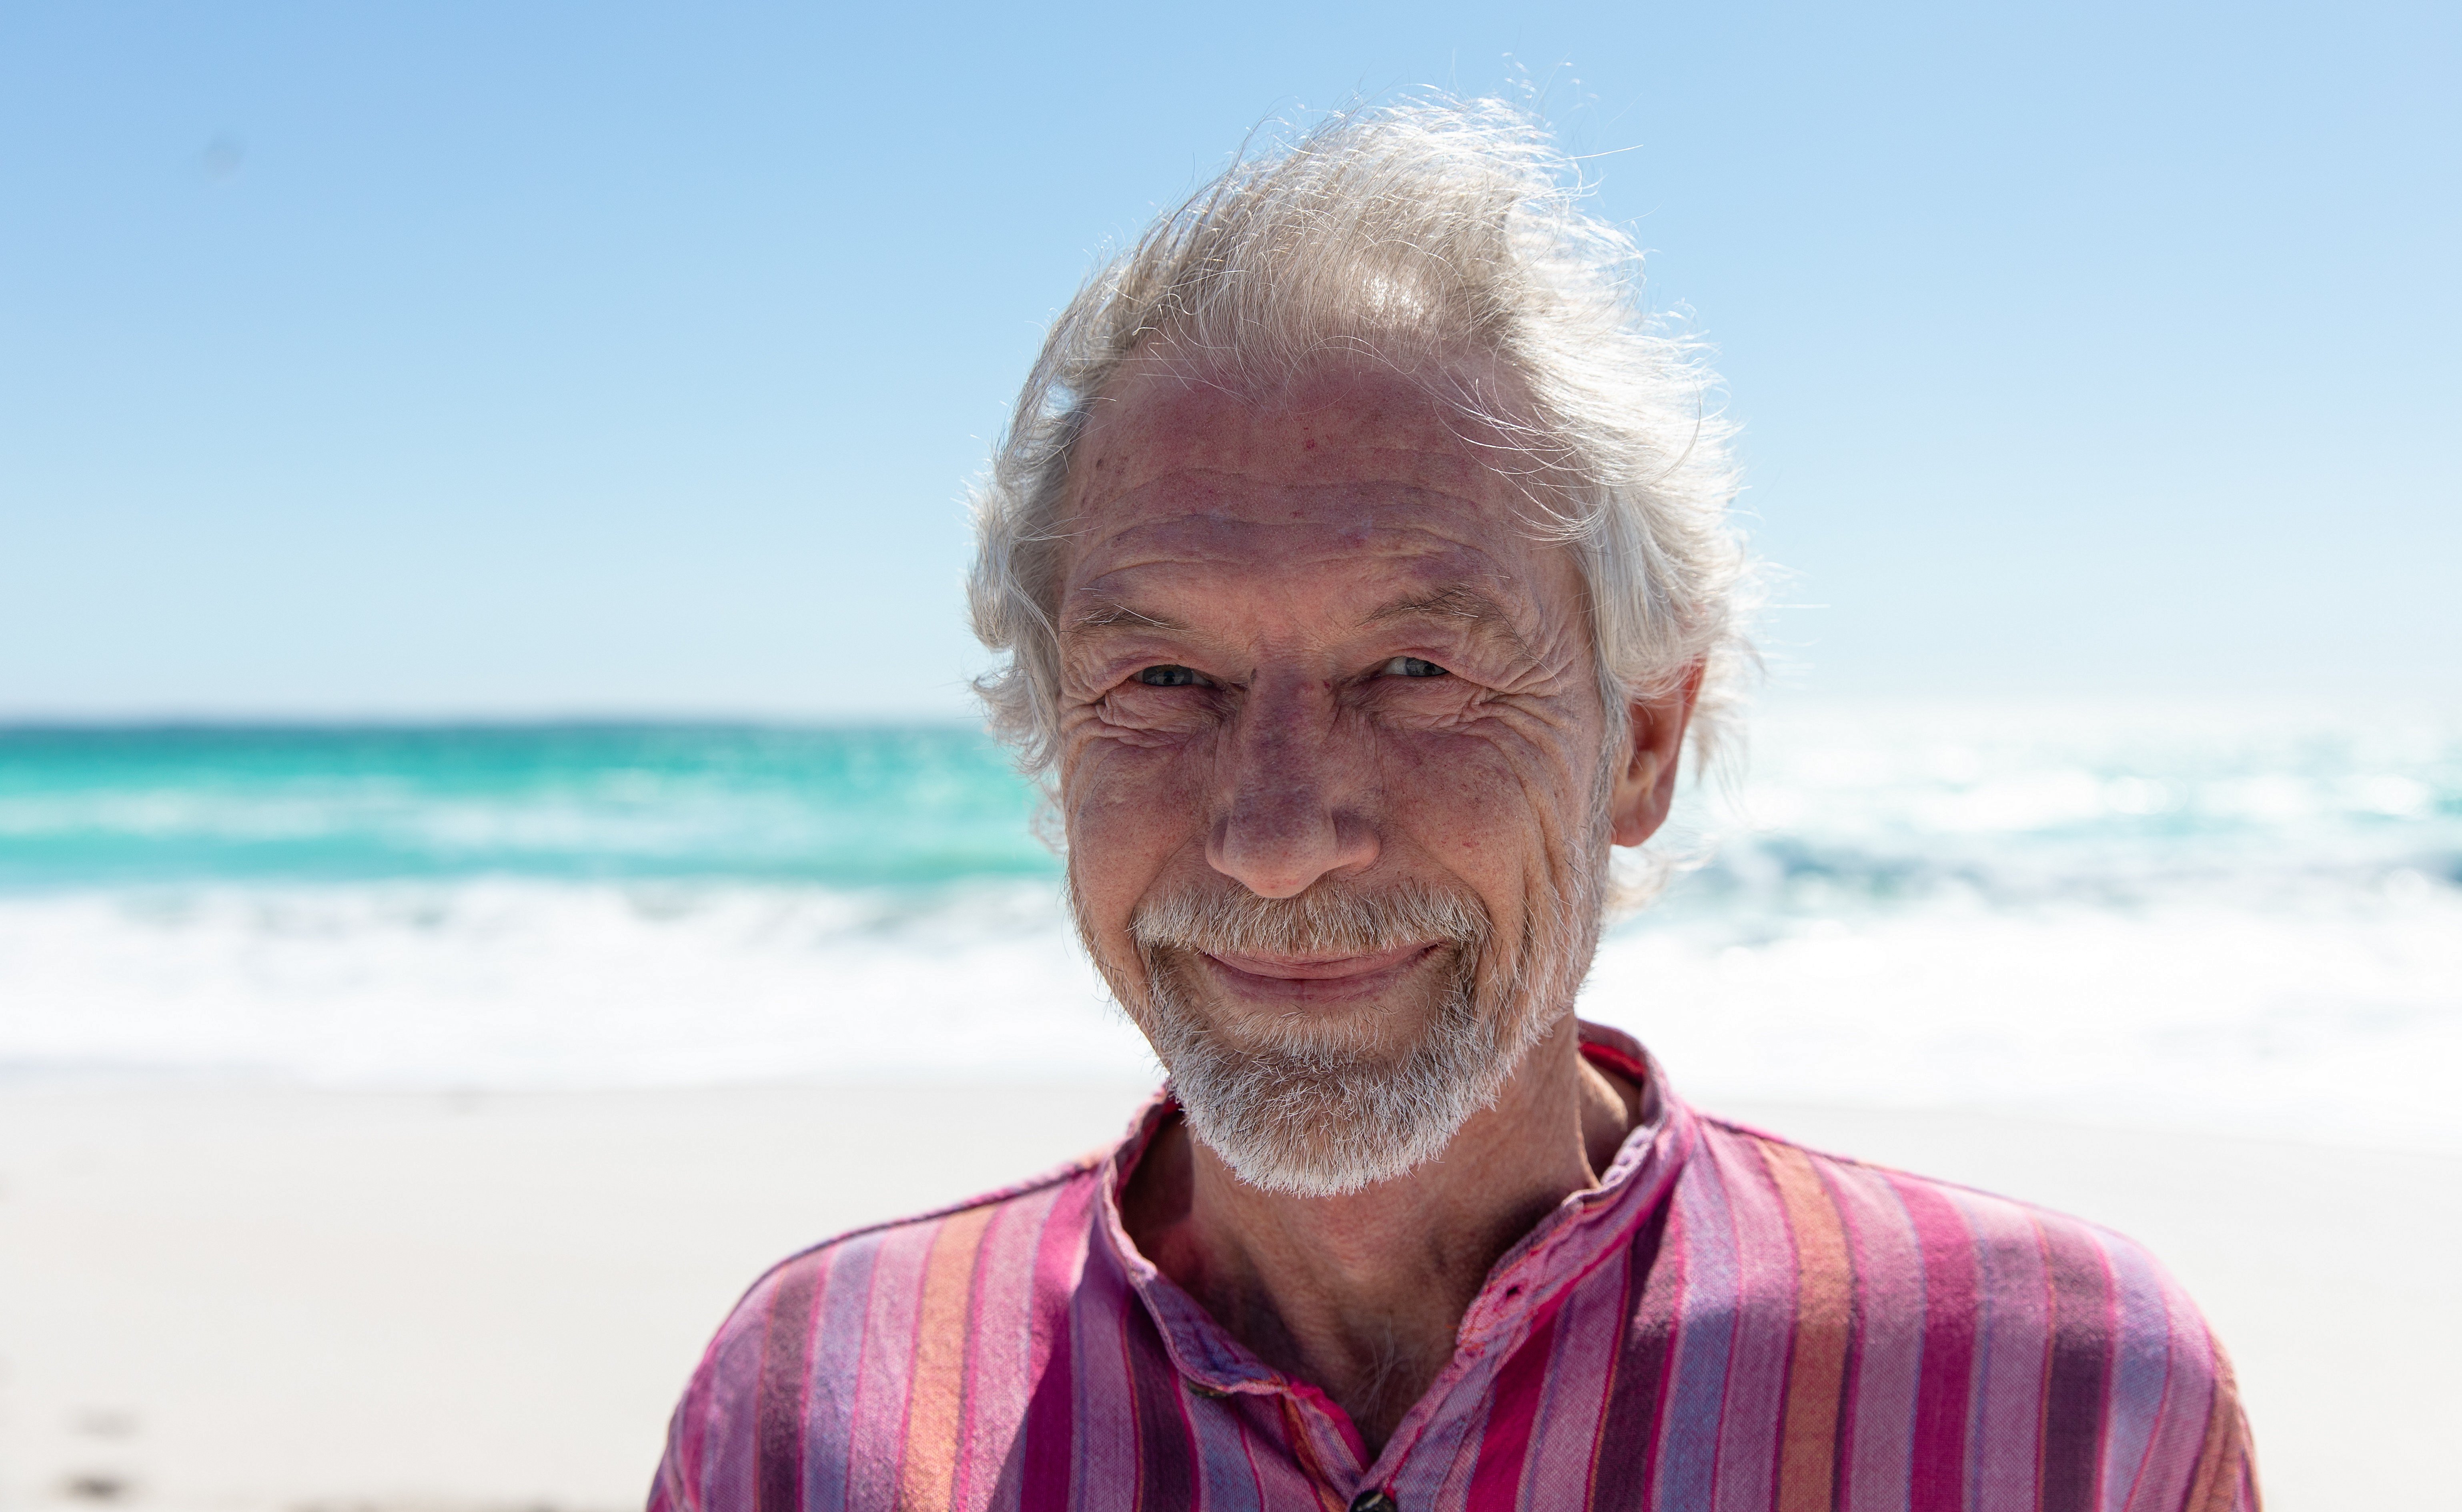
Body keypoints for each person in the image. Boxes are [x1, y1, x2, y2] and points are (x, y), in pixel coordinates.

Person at [650, 98, 2256, 1512]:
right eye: (1166, 679)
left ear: (1642, 742)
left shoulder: (2056, 1411)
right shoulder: (816, 1416)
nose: (1277, 839)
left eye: (1416, 670)